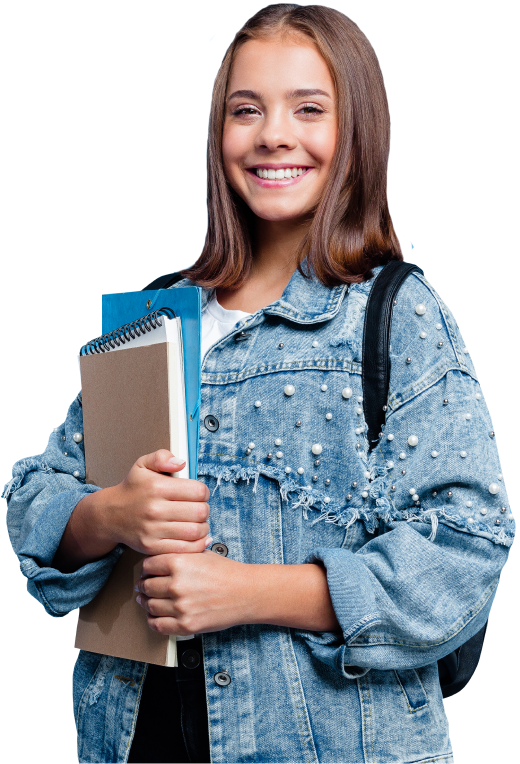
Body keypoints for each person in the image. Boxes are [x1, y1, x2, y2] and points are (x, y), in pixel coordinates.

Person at [4, 4, 515, 763]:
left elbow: (468, 546)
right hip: (130, 739)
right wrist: (110, 514)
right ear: (219, 135)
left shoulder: (393, 312)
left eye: (309, 108)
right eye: (247, 110)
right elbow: (35, 496)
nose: (274, 133)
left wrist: (245, 591)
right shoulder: (156, 316)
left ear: (358, 131)